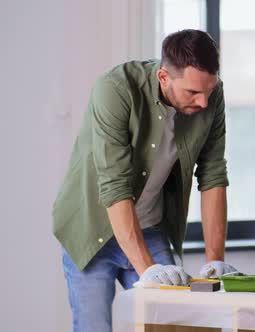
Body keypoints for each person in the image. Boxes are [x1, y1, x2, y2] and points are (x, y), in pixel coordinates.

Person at [53, 29, 237, 331]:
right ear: (164, 77)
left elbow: (213, 173)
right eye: (193, 93)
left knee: (173, 323)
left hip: (150, 227)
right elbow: (115, 185)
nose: (204, 102)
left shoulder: (210, 95)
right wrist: (148, 270)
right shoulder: (115, 89)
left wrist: (214, 262)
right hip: (90, 231)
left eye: (209, 90)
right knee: (94, 327)